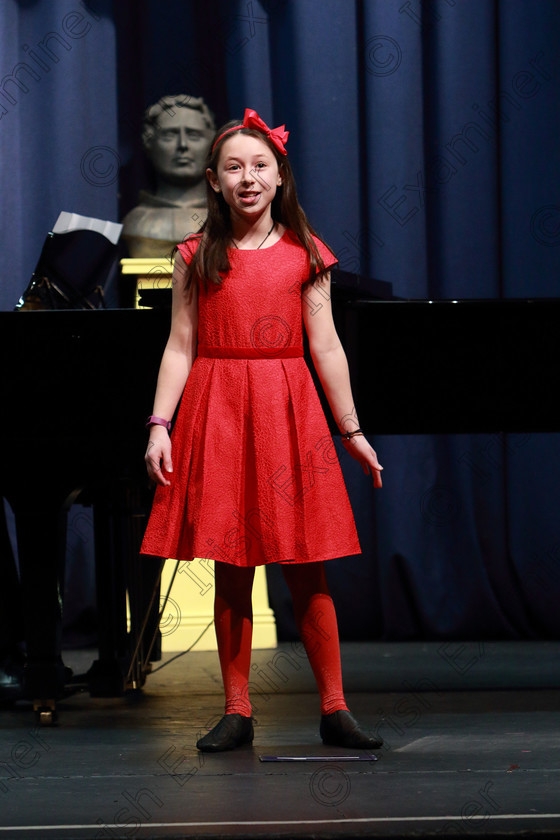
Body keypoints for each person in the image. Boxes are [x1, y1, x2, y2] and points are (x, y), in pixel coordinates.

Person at [141, 108, 384, 753]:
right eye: (233, 168)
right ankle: (237, 709)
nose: (247, 178)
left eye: (260, 166)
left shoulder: (306, 254)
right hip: (219, 409)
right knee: (232, 562)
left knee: (307, 563)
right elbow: (179, 346)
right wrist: (159, 423)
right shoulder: (195, 255)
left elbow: (326, 345)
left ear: (279, 178)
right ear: (215, 183)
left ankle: (335, 708)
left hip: (287, 408)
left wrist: (351, 429)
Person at [122, 95, 215, 257]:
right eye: (169, 135)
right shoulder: (134, 223)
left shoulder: (227, 221)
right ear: (149, 143)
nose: (183, 145)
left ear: (211, 144)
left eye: (193, 135)